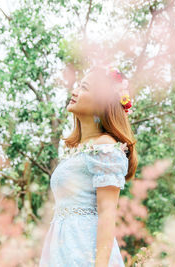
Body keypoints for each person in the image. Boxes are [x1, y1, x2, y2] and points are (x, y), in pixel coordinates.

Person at [39, 65, 138, 267]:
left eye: (84, 87)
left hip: (84, 250)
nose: (75, 92)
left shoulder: (106, 147)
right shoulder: (81, 149)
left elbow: (107, 212)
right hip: (63, 250)